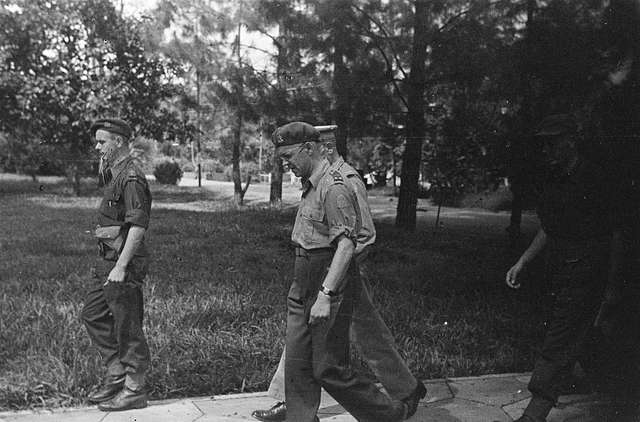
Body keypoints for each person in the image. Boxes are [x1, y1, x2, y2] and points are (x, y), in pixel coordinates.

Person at [252, 125, 425, 422]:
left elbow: (351, 242)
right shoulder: (311, 183)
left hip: (328, 278)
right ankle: (300, 417)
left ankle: (388, 413)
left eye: (290, 156)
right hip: (303, 278)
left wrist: (327, 292)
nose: (286, 164)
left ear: (311, 148)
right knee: (297, 360)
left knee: (327, 367)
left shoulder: (335, 185)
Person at [505, 114, 615, 422]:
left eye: (553, 143)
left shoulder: (594, 178)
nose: (547, 151)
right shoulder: (554, 180)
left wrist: (615, 287)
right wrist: (523, 261)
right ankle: (604, 381)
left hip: (589, 268)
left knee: (559, 338)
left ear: (571, 141)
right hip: (560, 269)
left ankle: (536, 409)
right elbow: (549, 227)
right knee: (580, 330)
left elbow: (617, 233)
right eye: (544, 145)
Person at [80, 118, 152, 412]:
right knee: (93, 314)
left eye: (102, 141)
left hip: (123, 262)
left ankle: (135, 389)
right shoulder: (114, 172)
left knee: (127, 325)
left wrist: (121, 267)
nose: (97, 147)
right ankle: (116, 371)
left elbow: (138, 226)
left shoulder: (132, 177)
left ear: (119, 141)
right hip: (106, 259)